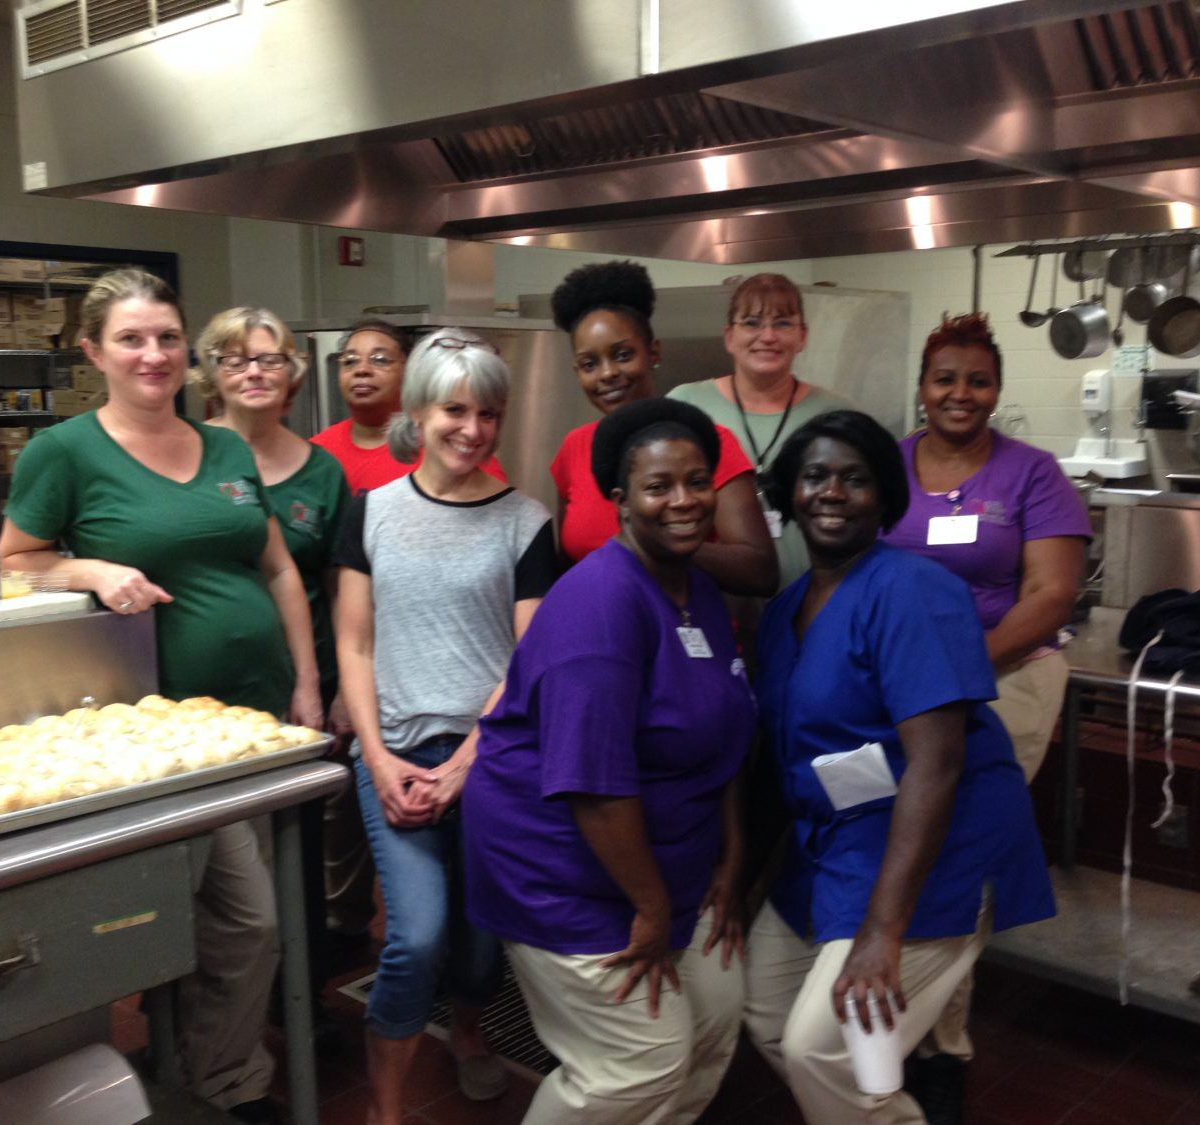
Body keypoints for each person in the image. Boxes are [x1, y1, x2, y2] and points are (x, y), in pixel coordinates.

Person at [0, 269, 324, 1119]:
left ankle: (212, 1074)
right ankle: (192, 1079)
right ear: (94, 351)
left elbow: (278, 566)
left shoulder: (224, 449)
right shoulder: (63, 452)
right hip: (154, 740)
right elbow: (13, 562)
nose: (154, 354)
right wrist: (91, 568)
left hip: (252, 726)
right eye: (133, 339)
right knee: (215, 925)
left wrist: (309, 684)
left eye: (168, 338)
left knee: (237, 929)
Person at [742, 410, 1055, 1125]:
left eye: (855, 479)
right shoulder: (788, 606)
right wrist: (740, 880)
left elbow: (938, 763)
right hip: (840, 845)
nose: (832, 492)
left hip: (935, 849)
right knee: (765, 1010)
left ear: (884, 498)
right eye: (816, 476)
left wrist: (884, 931)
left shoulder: (912, 589)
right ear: (790, 491)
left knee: (827, 1046)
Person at [464, 397, 756, 1124]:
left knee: (717, 1021)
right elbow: (593, 786)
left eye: (697, 480)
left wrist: (730, 853)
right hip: (564, 867)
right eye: (659, 486)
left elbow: (717, 730)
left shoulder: (701, 594)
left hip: (667, 860)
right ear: (622, 502)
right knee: (637, 1065)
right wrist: (653, 909)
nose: (684, 500)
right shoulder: (599, 606)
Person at [332, 327, 557, 1125]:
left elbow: (526, 661)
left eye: (489, 412)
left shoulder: (526, 521)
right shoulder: (371, 512)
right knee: (418, 933)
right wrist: (379, 754)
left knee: (481, 935)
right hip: (392, 747)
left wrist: (467, 762)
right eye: (455, 408)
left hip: (491, 756)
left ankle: (469, 1028)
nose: (473, 428)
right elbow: (354, 641)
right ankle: (386, 1109)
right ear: (419, 412)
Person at [879, 313, 1089, 1120]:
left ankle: (943, 1050)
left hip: (1007, 682)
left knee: (954, 857)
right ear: (923, 386)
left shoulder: (1032, 473)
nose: (960, 393)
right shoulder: (889, 465)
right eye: (945, 378)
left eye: (976, 379)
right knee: (896, 850)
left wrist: (962, 666)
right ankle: (888, 1025)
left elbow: (1051, 594)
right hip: (897, 688)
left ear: (995, 389)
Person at [194, 306, 353, 1038]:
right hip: (199, 698)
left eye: (269, 359)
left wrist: (326, 684)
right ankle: (223, 1026)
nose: (253, 372)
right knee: (221, 878)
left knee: (298, 856)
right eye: (235, 359)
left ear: (292, 373)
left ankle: (300, 1003)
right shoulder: (185, 455)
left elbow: (342, 585)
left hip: (298, 693)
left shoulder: (322, 470)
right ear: (211, 373)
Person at [547, 260, 777, 596]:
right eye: (589, 364)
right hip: (605, 636)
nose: (608, 373)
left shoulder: (708, 443)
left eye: (623, 355)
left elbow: (760, 572)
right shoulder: (574, 448)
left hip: (688, 637)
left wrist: (659, 539)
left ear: (653, 352)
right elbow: (567, 570)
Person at [667, 272, 854, 588]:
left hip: (814, 601)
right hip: (712, 600)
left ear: (802, 336)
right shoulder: (685, 406)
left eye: (782, 323)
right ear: (729, 336)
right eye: (752, 323)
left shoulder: (837, 415)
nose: (767, 336)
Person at [312, 318, 506, 495]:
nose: (362, 370)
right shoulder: (317, 453)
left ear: (410, 371)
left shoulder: (452, 451)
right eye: (350, 361)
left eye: (380, 359)